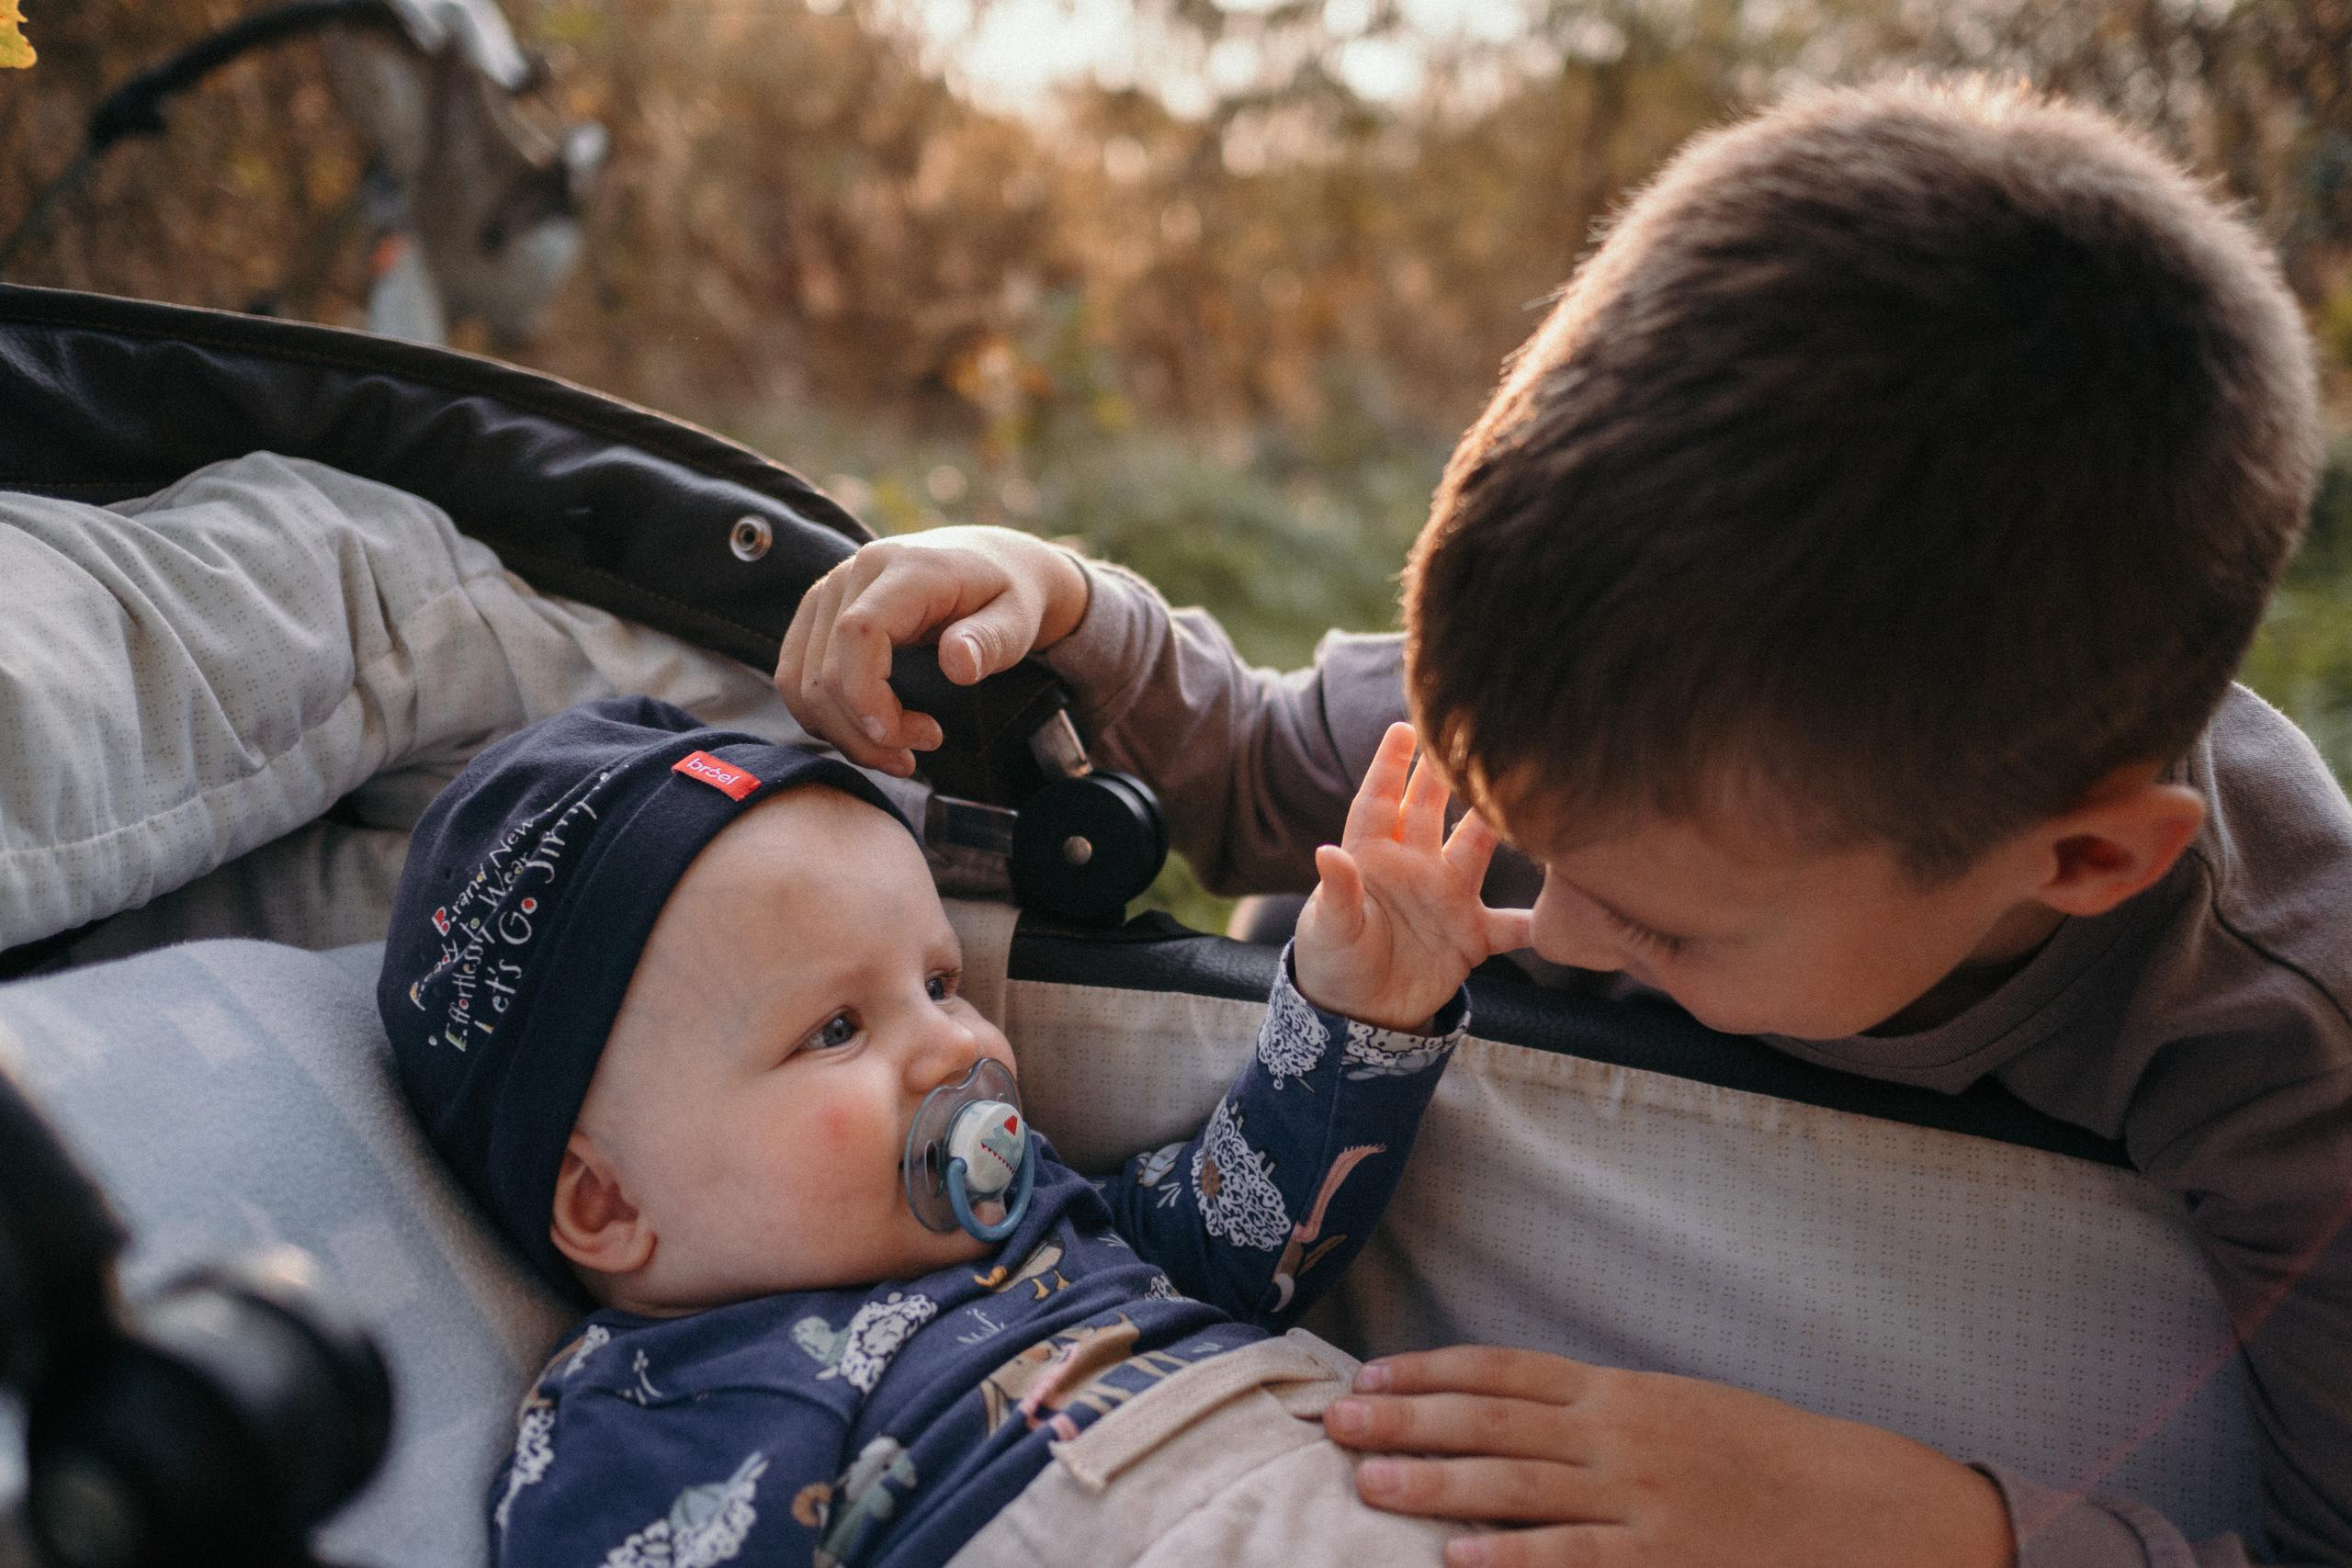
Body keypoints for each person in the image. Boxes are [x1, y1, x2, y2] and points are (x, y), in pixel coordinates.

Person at [773, 80, 2352, 1568]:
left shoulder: (2294, 1036)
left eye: (1664, 922)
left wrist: (1916, 1517)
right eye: (1514, 820)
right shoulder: (1592, 675)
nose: (1548, 923)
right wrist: (1057, 597)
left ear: (2082, 862)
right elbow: (1249, 772)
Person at [379, 695, 1534, 1567]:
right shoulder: (655, 1414)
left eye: (940, 981)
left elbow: (1250, 1233)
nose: (950, 1046)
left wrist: (1357, 1011)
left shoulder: (1053, 1218)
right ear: (609, 1205)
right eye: (835, 1029)